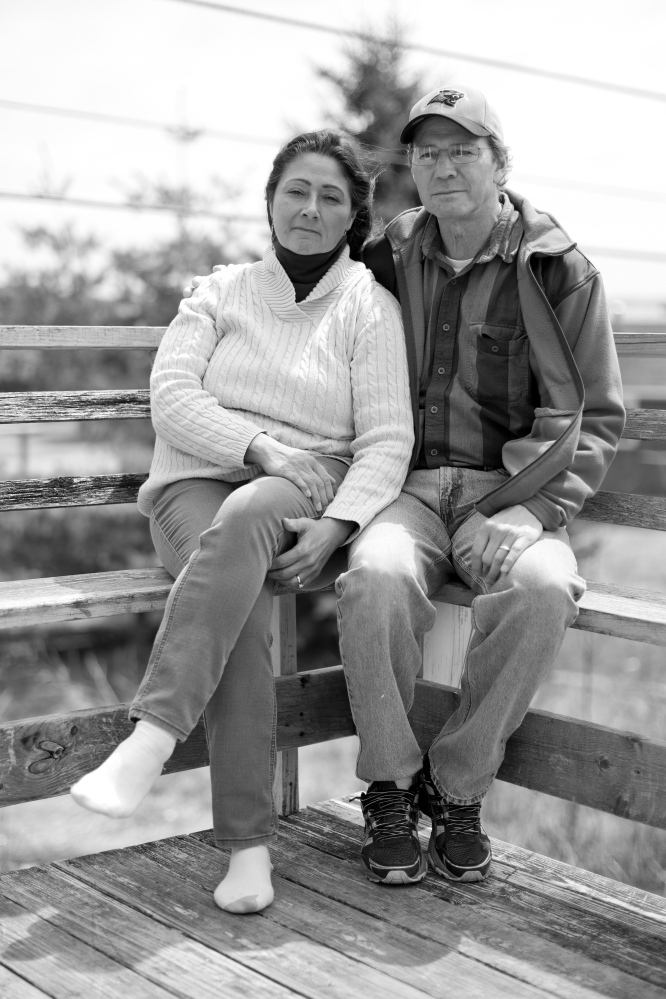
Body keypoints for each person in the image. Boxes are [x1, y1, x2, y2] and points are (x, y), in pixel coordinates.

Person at [183, 86, 625, 890]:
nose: (443, 167)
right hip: (410, 488)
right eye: (427, 153)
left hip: (510, 495)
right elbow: (311, 307)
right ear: (411, 169)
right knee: (376, 575)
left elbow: (595, 415)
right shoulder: (393, 250)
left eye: (464, 150)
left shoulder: (560, 268)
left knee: (545, 589)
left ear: (500, 164)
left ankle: (456, 788)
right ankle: (387, 785)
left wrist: (530, 510)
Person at [69, 128, 414, 914]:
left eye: (332, 196)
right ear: (269, 201)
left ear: (353, 215)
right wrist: (257, 445)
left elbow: (389, 435)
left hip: (306, 490)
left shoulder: (369, 307)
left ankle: (151, 739)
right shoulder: (218, 292)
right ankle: (247, 844)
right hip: (195, 485)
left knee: (256, 510)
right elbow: (174, 398)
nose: (310, 208)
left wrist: (342, 524)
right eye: (296, 190)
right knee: (242, 596)